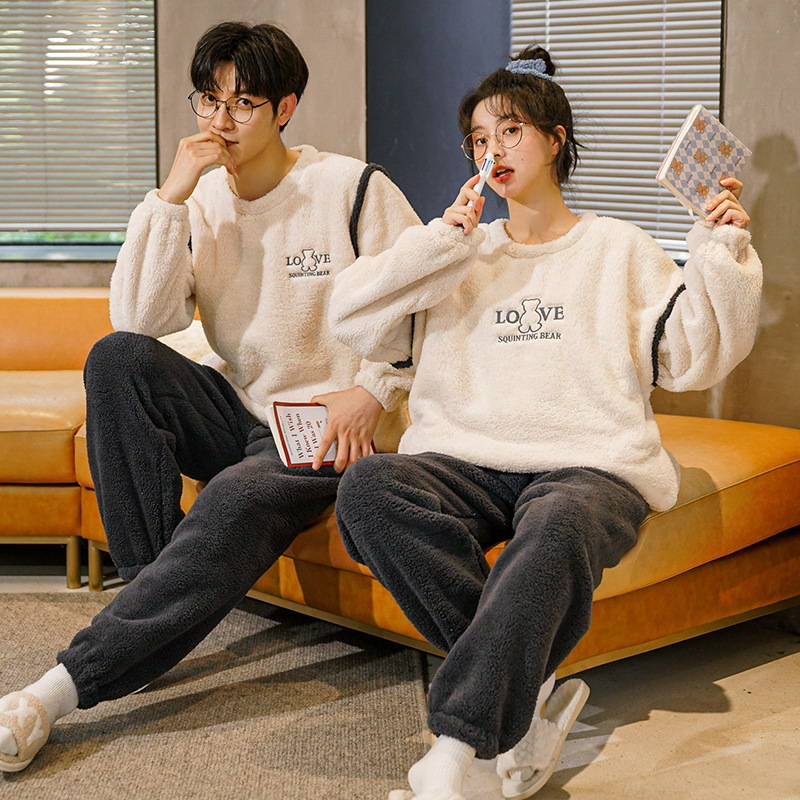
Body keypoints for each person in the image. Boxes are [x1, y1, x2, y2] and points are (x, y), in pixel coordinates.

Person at [328, 46, 761, 800]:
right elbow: (351, 316)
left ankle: (455, 751)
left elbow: (695, 358)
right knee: (368, 491)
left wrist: (721, 248)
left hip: (590, 464)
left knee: (558, 524)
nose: (492, 150)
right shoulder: (459, 254)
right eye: (478, 139)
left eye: (511, 131)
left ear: (556, 139)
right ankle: (522, 694)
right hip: (465, 460)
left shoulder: (618, 249)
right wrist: (441, 243)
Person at [0, 20, 419, 773]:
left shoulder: (352, 189)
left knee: (232, 496)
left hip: (324, 426)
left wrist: (373, 390)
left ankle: (58, 690)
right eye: (209, 99)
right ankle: (152, 608)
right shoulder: (200, 204)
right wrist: (169, 197)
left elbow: (424, 302)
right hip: (241, 410)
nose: (221, 120)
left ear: (284, 109)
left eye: (243, 103)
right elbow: (139, 320)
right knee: (115, 361)